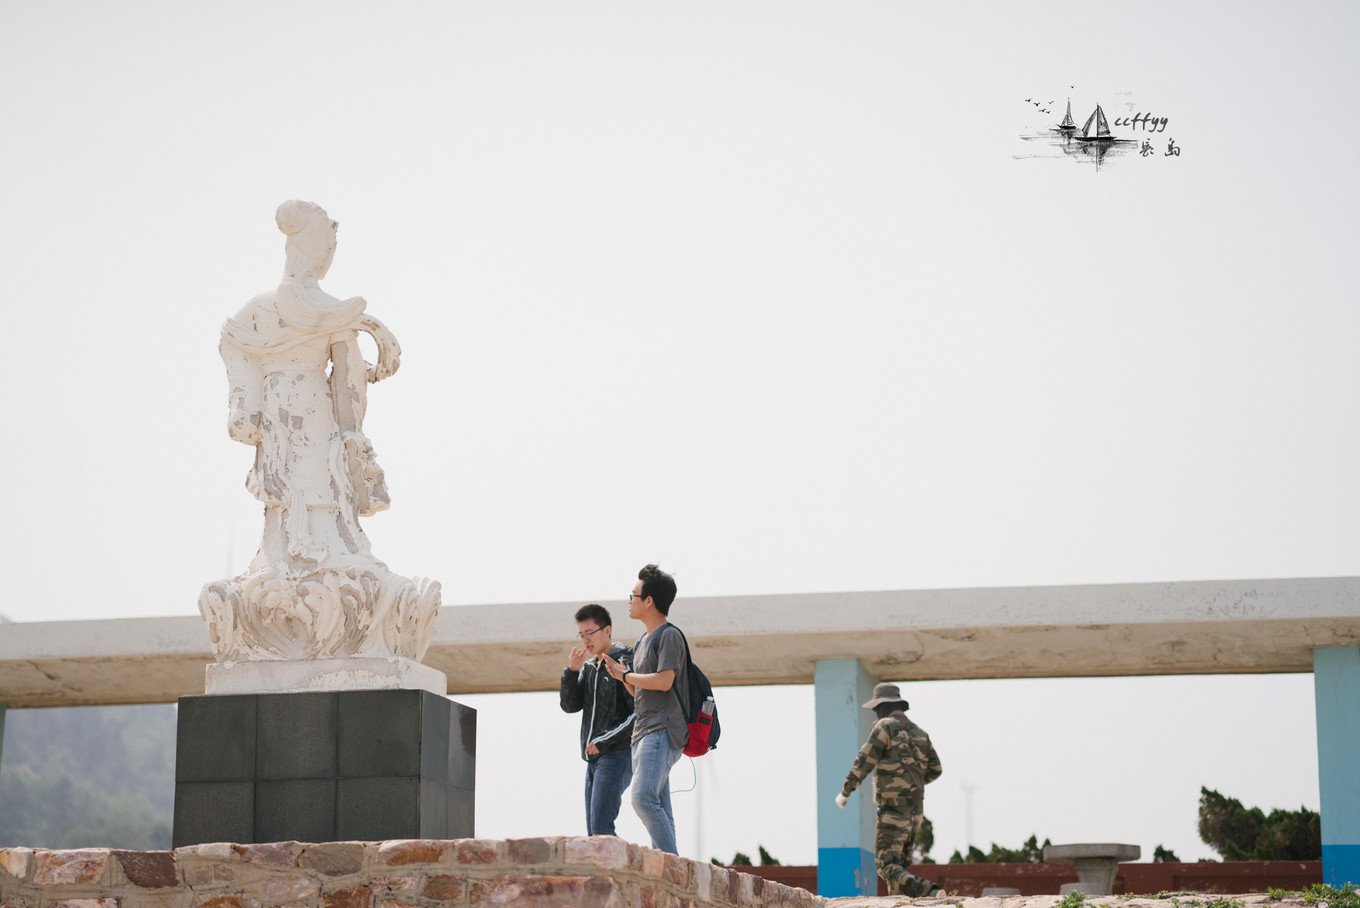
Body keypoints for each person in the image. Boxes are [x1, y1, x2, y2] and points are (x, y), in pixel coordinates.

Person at [601, 563, 687, 854]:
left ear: (649, 600)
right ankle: (669, 870)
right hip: (643, 731)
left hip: (662, 730)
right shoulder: (642, 641)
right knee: (659, 805)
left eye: (633, 595)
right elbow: (640, 692)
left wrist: (626, 675)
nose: (629, 601)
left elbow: (664, 681)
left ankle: (674, 868)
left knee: (642, 799)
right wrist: (621, 676)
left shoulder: (669, 636)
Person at [835, 682, 943, 897]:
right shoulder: (920, 732)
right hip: (916, 811)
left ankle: (928, 891)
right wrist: (913, 783)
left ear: (882, 707)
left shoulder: (885, 726)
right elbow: (936, 769)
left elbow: (864, 760)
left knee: (885, 865)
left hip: (893, 808)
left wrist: (846, 791)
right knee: (897, 867)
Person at [559, 603, 636, 836]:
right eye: (581, 635)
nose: (585, 640)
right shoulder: (590, 668)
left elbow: (638, 713)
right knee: (594, 833)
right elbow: (570, 706)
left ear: (607, 630)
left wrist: (603, 740)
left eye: (589, 633)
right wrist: (571, 672)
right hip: (592, 757)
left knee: (601, 829)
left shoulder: (624, 661)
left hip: (617, 754)